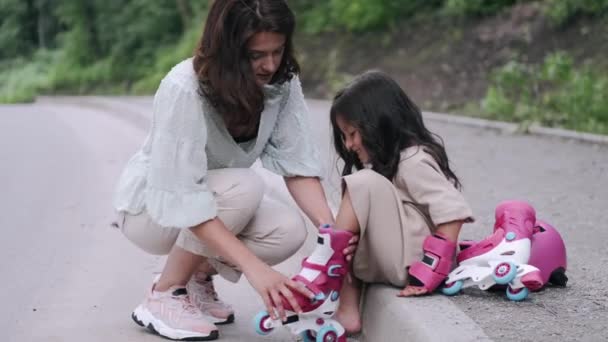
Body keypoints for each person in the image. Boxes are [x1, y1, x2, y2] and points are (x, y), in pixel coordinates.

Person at [112, 0, 356, 340]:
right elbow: (185, 199)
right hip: (152, 211)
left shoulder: (281, 83)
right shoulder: (185, 88)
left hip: (216, 201)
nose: (270, 64)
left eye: (278, 50)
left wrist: (333, 234)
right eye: (256, 55)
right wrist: (256, 271)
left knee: (287, 231)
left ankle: (197, 279)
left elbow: (297, 165)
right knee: (244, 186)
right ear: (227, 50)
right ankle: (165, 293)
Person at [284, 70, 474, 335]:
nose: (349, 145)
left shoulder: (414, 159)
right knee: (352, 213)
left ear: (379, 124)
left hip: (415, 262)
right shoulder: (388, 165)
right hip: (397, 255)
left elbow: (452, 213)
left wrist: (431, 271)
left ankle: (326, 268)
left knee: (361, 184)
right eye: (344, 137)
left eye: (352, 134)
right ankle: (347, 309)